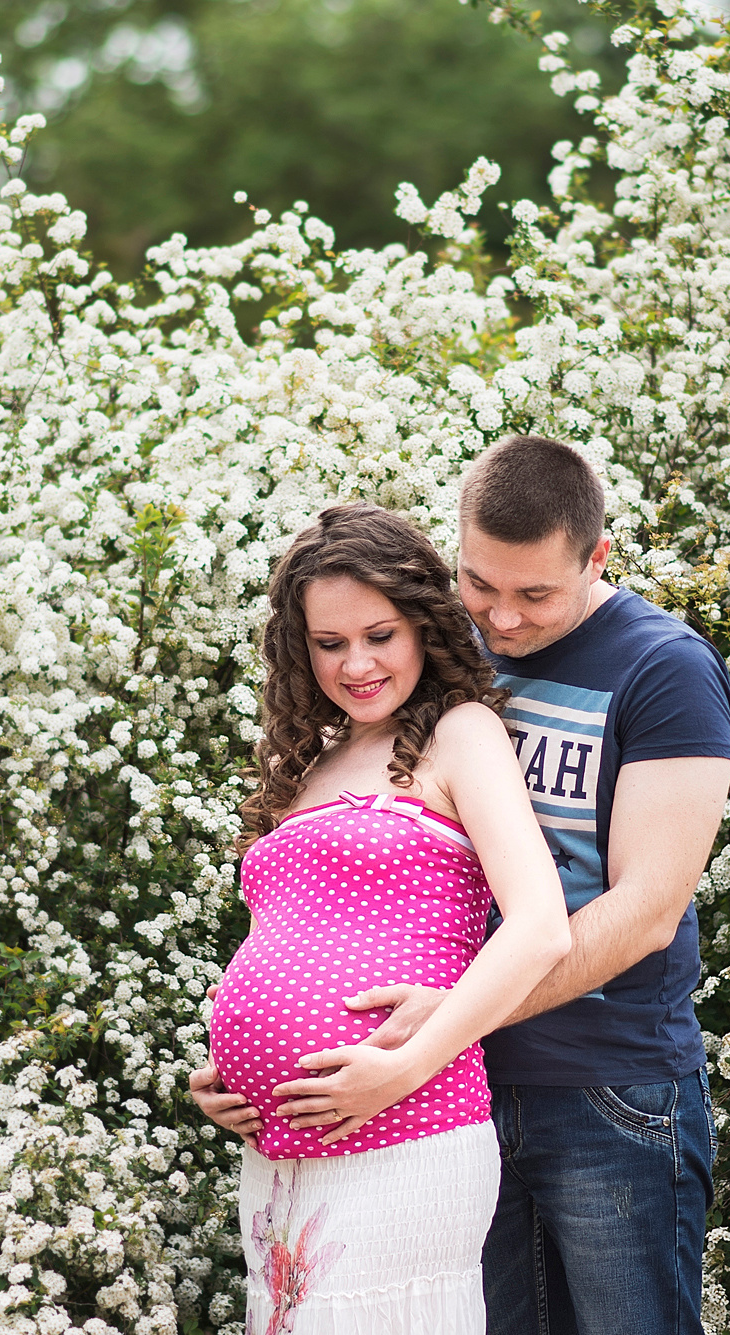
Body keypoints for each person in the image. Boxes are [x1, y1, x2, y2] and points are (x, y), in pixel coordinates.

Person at [193, 436, 730, 1335]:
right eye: (481, 586)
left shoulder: (662, 670)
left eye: (535, 594)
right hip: (460, 1089)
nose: (505, 619)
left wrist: (442, 1023)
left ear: (597, 557)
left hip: (605, 1080)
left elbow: (644, 913)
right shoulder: (431, 661)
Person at [203, 502, 572, 1334]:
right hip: (279, 1149)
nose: (356, 663)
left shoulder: (460, 732)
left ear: (424, 627)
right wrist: (232, 1070)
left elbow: (541, 925)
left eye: (380, 635)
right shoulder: (312, 762)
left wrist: (400, 1070)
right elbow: (292, 934)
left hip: (408, 1125)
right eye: (330, 644)